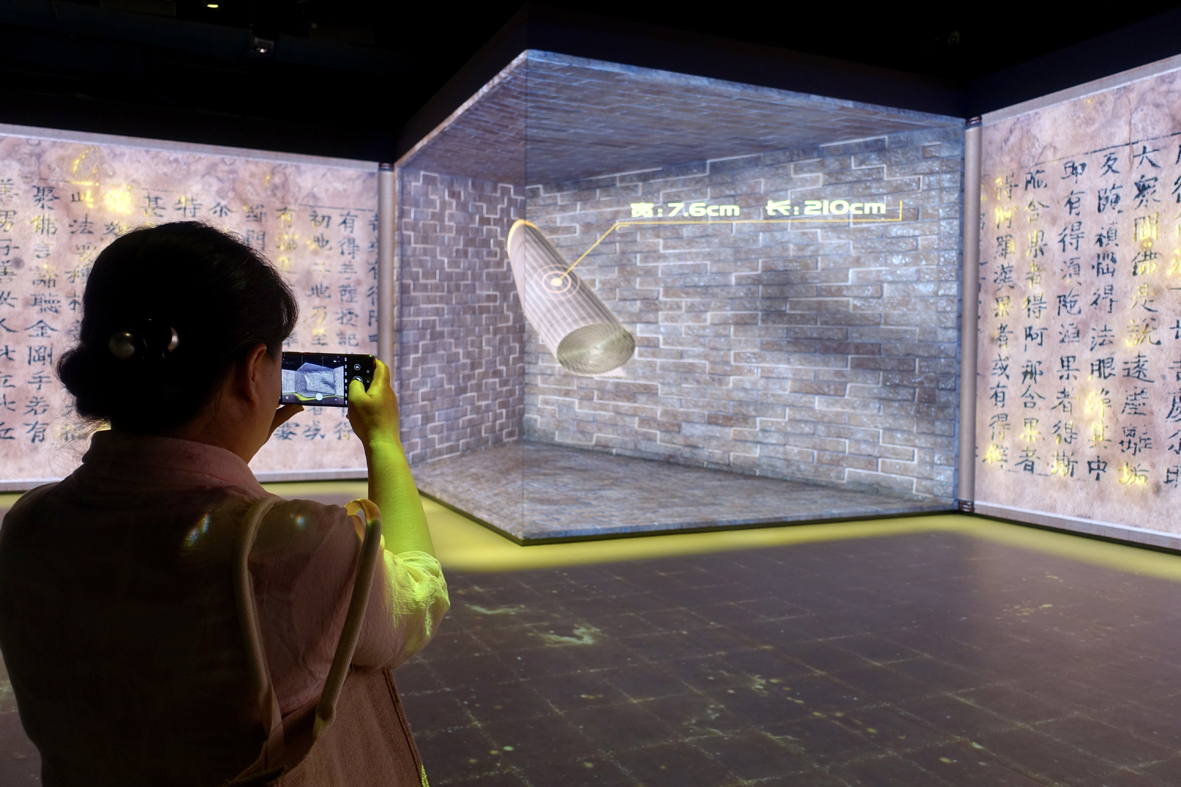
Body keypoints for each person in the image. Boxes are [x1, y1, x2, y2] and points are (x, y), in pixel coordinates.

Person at [0, 222, 449, 786]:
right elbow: (419, 599)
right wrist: (384, 443)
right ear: (251, 369)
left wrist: (230, 442)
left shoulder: (29, 525)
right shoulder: (299, 545)